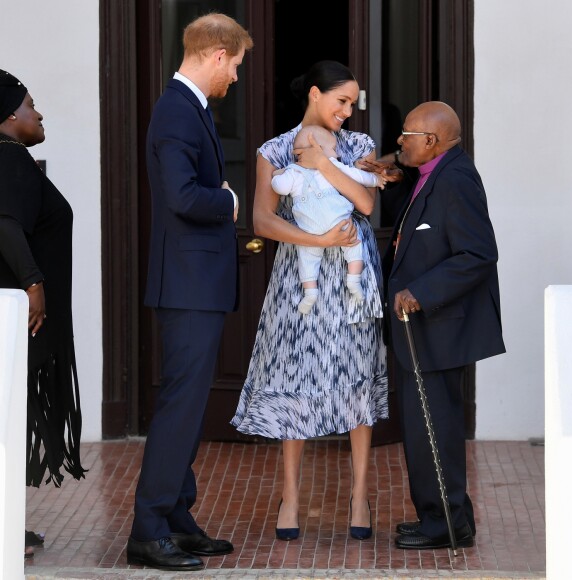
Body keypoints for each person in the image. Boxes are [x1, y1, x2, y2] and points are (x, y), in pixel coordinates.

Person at [231, 60, 401, 542]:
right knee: (295, 376)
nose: (348, 110)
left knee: (356, 376)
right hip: (300, 275)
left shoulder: (359, 146)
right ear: (313, 94)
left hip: (352, 274)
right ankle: (290, 496)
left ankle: (361, 494)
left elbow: (367, 205)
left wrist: (325, 164)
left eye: (353, 102)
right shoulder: (274, 150)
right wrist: (320, 241)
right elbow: (262, 221)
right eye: (341, 100)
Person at [126, 14, 253, 572]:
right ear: (219, 55)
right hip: (187, 285)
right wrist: (227, 203)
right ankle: (148, 530)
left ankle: (176, 517)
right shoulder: (178, 109)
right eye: (237, 67)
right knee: (180, 408)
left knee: (190, 405)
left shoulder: (190, 109)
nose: (236, 80)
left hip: (194, 283)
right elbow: (181, 196)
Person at [382, 101, 505, 550]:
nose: (399, 140)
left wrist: (422, 291)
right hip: (424, 331)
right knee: (422, 426)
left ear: (430, 141)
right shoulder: (432, 171)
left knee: (435, 427)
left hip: (438, 326)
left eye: (406, 134)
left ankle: (448, 525)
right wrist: (392, 168)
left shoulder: (455, 180)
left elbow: (478, 254)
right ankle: (439, 517)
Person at [0, 69, 86, 557]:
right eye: (32, 104)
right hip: (19, 315)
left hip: (19, 318)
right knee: (5, 420)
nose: (40, 113)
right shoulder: (10, 158)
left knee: (9, 419)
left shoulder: (15, 160)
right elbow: (6, 225)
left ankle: (6, 525)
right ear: (10, 116)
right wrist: (34, 283)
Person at [271, 124, 388, 313]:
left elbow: (280, 188)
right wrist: (376, 180)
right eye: (333, 149)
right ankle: (354, 279)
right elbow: (358, 176)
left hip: (309, 229)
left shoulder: (292, 172)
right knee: (354, 243)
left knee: (307, 259)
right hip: (338, 221)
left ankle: (310, 293)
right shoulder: (333, 165)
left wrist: (277, 175)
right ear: (317, 148)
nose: (338, 154)